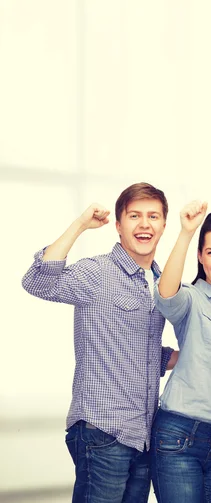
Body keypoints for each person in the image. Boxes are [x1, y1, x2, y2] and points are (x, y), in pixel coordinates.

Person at [21, 182, 176, 503]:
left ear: (163, 225)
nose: (144, 224)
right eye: (134, 216)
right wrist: (79, 225)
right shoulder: (98, 272)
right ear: (119, 226)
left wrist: (188, 356)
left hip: (142, 435)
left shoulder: (162, 282)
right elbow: (36, 281)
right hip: (102, 432)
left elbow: (141, 351)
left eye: (153, 216)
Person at [150, 201, 211, 503]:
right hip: (178, 436)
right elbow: (165, 293)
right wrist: (186, 232)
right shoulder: (191, 299)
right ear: (200, 256)